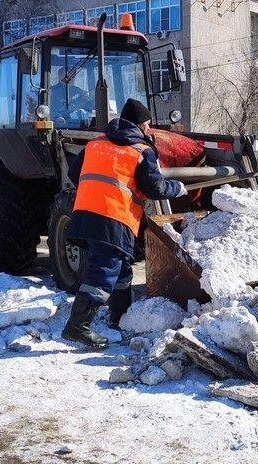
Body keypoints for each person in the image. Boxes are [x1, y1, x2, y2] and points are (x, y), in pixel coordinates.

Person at [62, 98, 186, 348]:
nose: (150, 130)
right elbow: (155, 187)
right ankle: (78, 326)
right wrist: (178, 188)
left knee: (121, 267)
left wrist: (94, 193)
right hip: (114, 217)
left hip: (86, 212)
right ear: (140, 125)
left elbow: (74, 173)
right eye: (148, 125)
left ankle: (119, 316)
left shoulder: (96, 143)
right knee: (104, 270)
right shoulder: (141, 151)